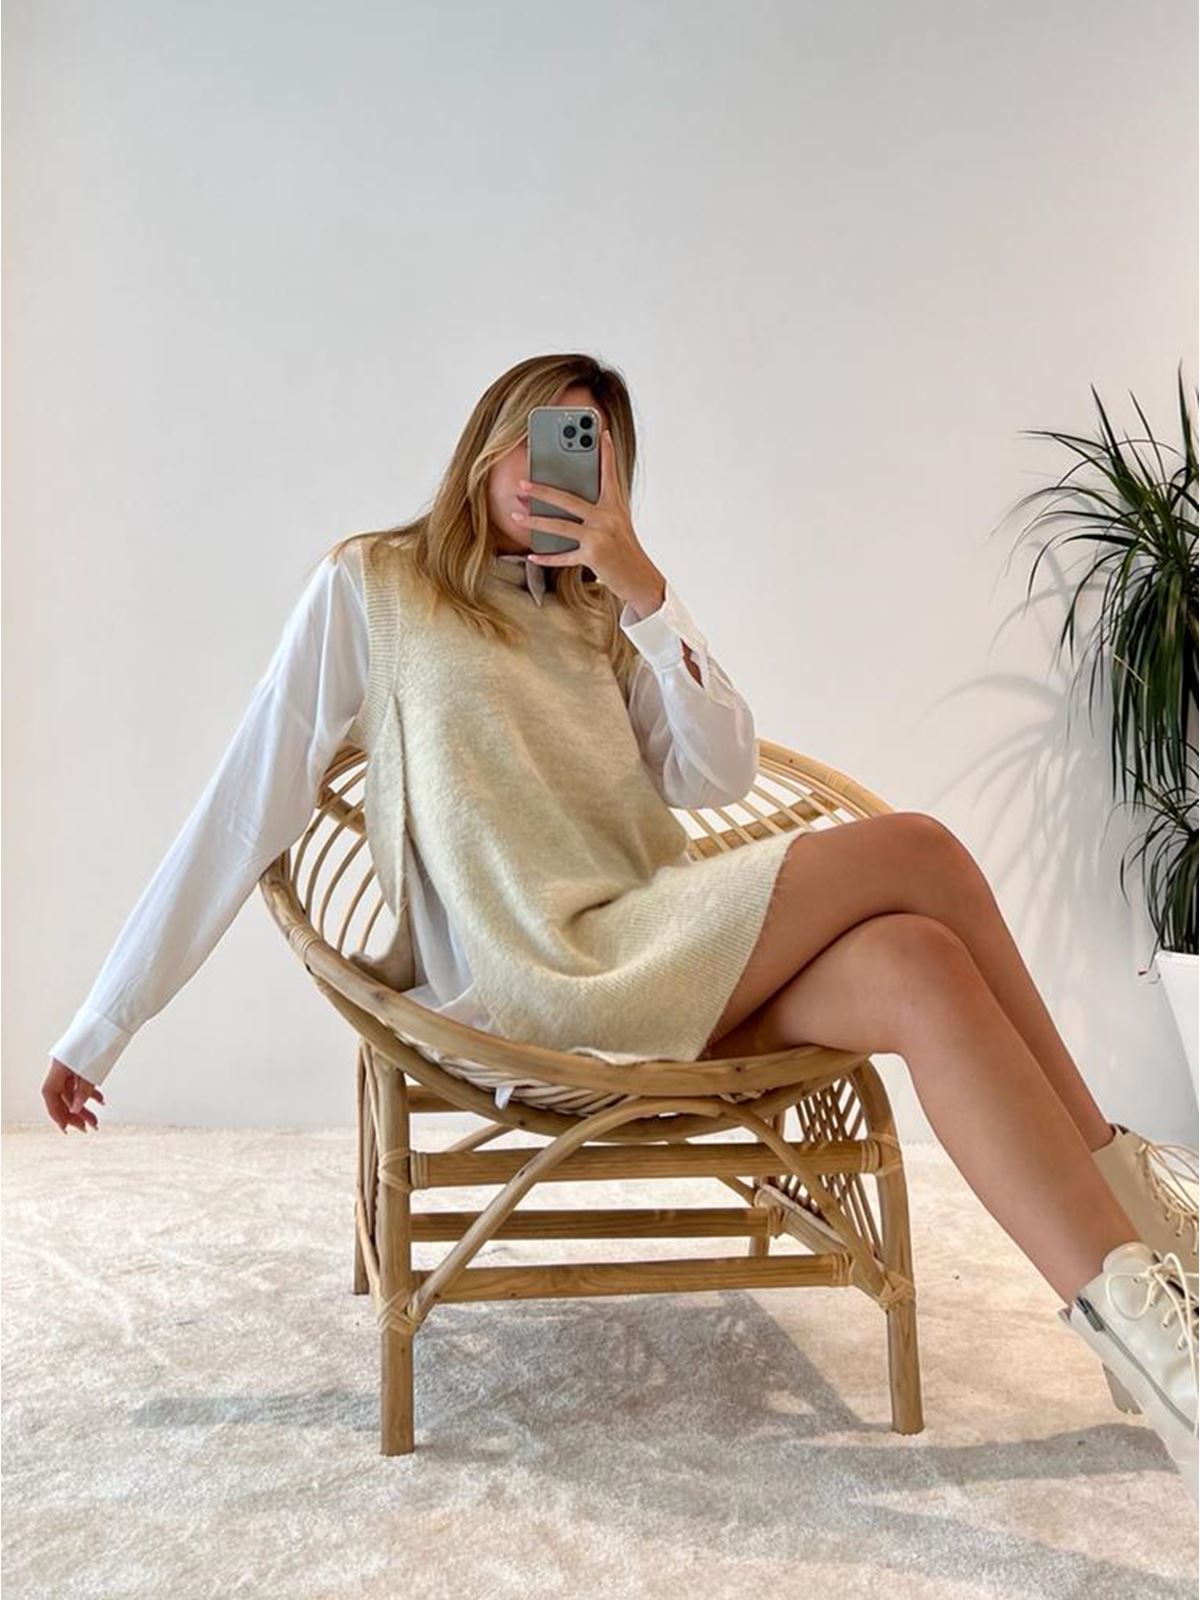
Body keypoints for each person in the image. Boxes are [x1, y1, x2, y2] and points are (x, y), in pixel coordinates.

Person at [42, 352, 1198, 1497]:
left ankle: (1163, 1369)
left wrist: (647, 595)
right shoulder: (372, 585)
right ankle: (1135, 1197)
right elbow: (242, 806)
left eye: (584, 448)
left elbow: (714, 773)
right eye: (537, 432)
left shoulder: (598, 611)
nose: (552, 464)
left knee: (920, 961)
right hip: (547, 972)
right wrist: (104, 1023)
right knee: (923, 851)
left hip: (663, 941)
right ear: (486, 441)